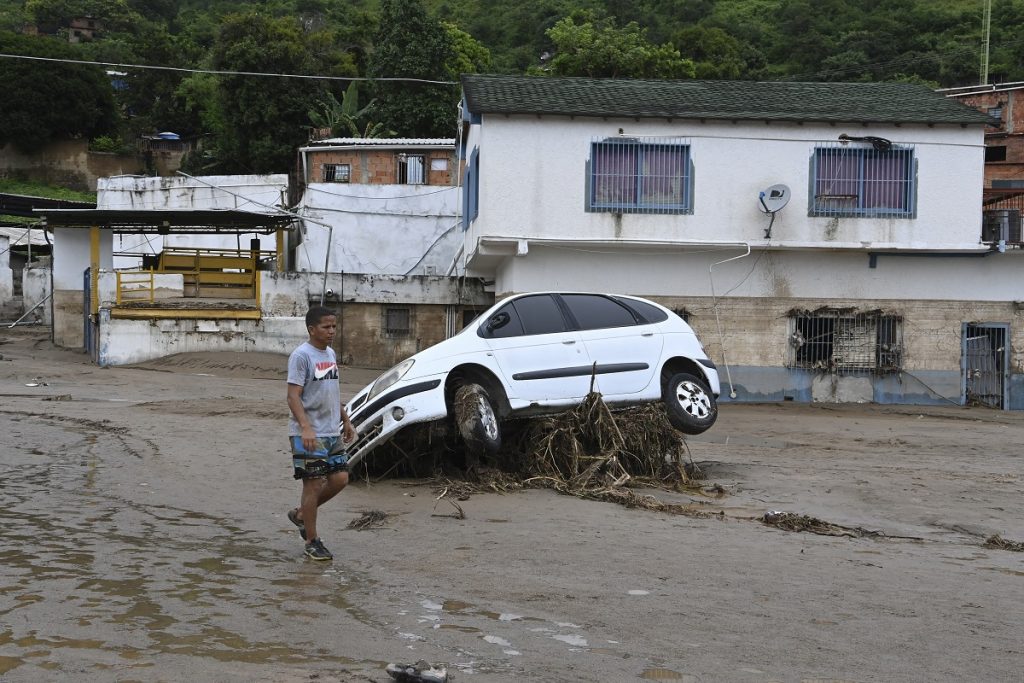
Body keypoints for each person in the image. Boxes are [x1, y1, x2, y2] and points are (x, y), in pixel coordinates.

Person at [286, 305, 357, 561]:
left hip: (331, 431)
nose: (331, 331)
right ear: (311, 329)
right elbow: (293, 396)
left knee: (339, 479)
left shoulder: (330, 353)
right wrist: (305, 427)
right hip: (308, 433)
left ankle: (302, 514)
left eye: (334, 327)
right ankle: (312, 541)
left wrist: (346, 420)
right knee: (313, 484)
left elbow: (331, 392)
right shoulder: (301, 356)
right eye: (326, 327)